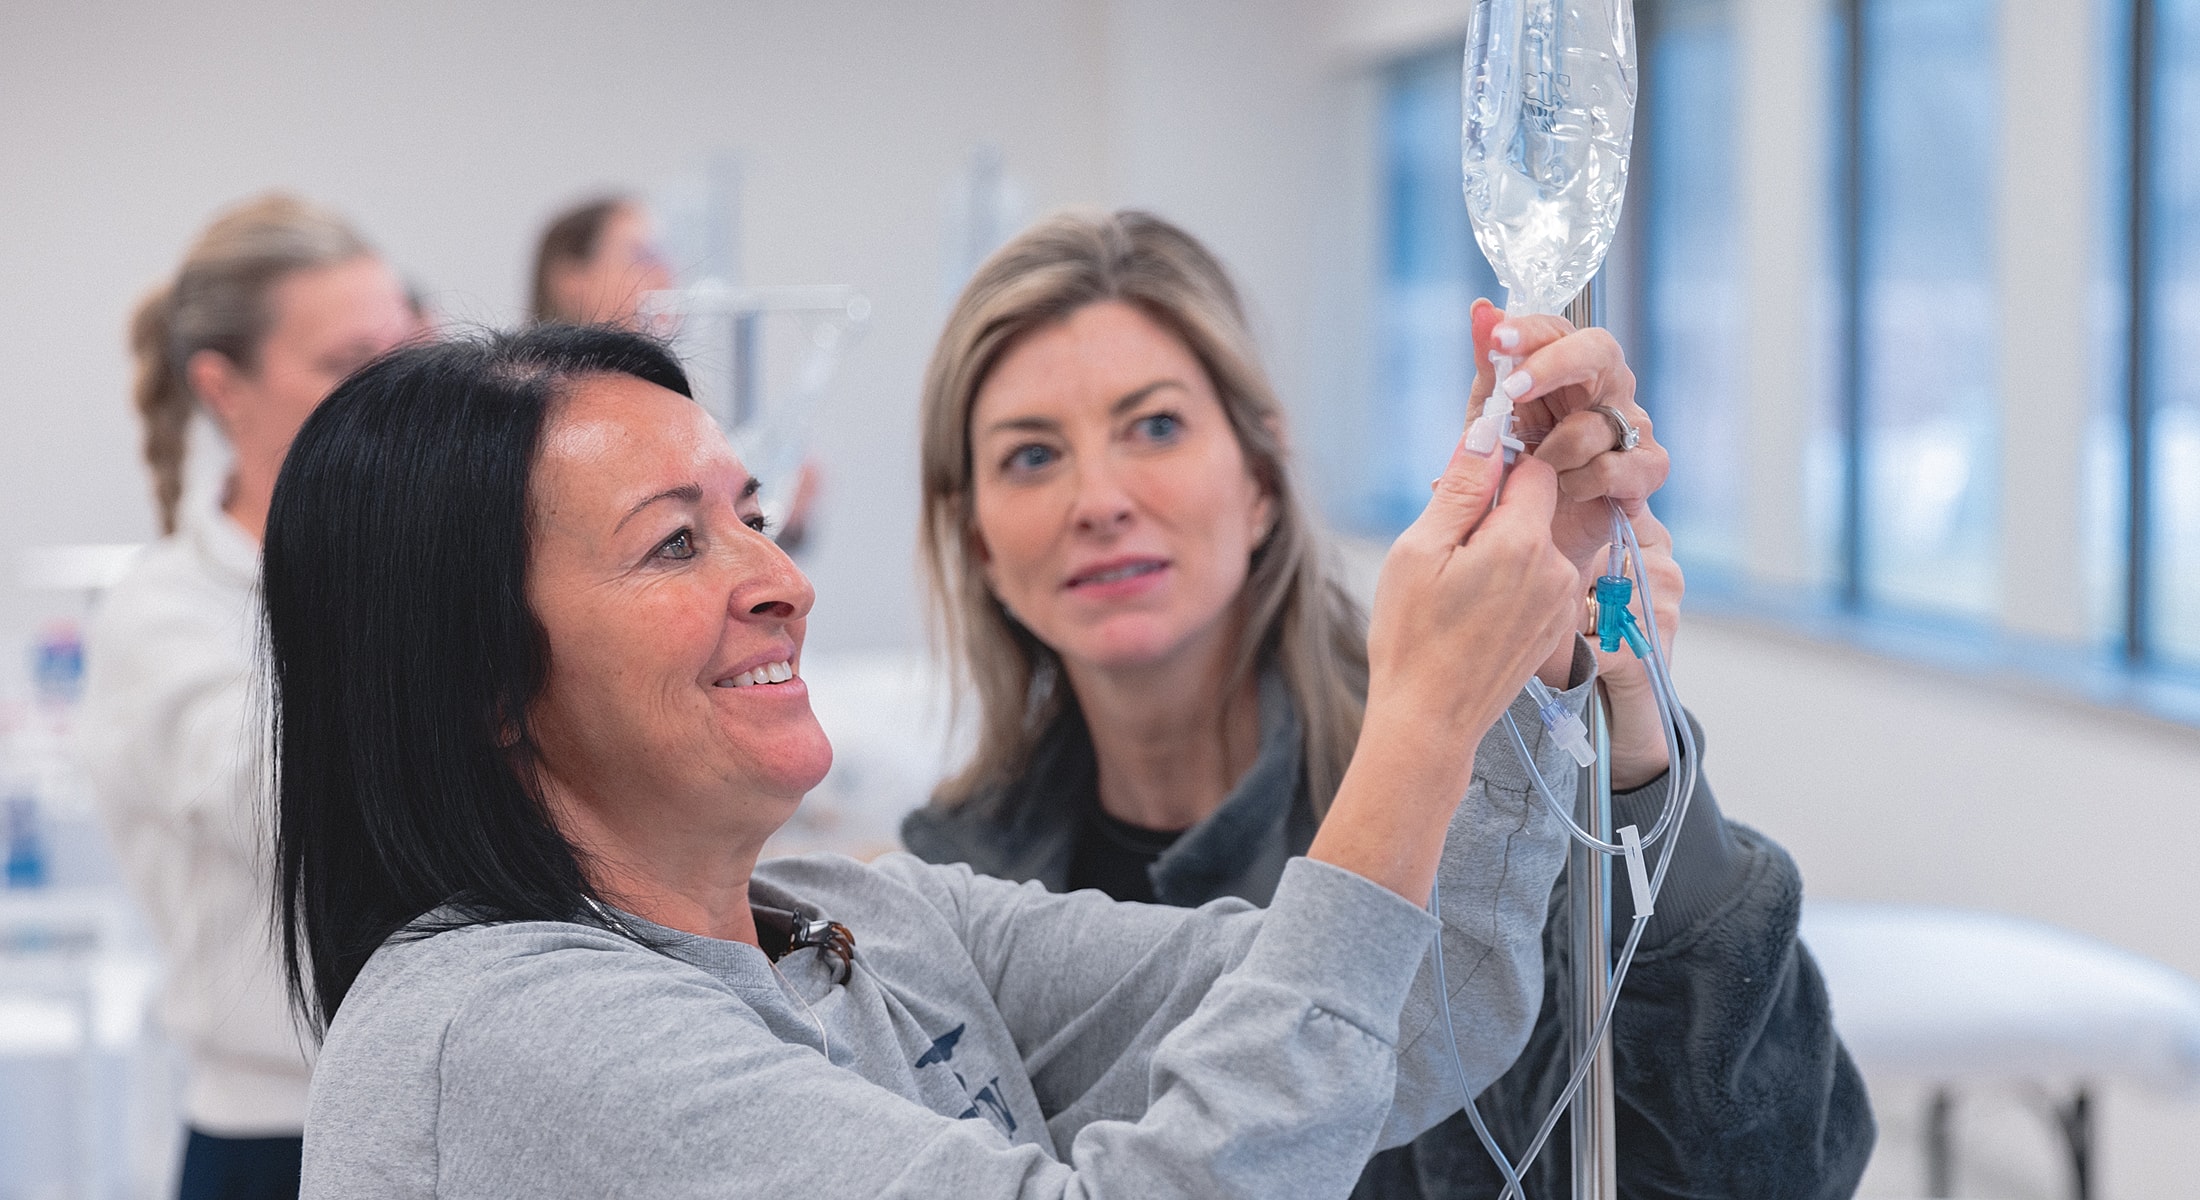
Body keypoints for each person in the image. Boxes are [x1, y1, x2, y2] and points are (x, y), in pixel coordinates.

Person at [268, 324, 1590, 1199]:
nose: (781, 581)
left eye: (753, 519)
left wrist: (1525, 663)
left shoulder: (871, 924)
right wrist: (1417, 719)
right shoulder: (508, 1034)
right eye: (677, 544)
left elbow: (1413, 1013)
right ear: (483, 675)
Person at [898, 210, 1875, 1198]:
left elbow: (1773, 1169)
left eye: (1154, 427)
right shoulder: (954, 884)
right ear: (974, 535)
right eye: (1031, 455)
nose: (1097, 499)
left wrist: (1637, 765)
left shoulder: (1483, 790)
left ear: (1261, 479)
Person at [77, 193, 421, 1200]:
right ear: (224, 388)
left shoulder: (414, 575)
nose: (397, 393)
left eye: (404, 350)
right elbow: (315, 817)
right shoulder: (164, 620)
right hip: (282, 1142)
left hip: (444, 1110)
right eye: (348, 364)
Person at [530, 193, 820, 549]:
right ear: (571, 280)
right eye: (643, 257)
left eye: (666, 256)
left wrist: (774, 510)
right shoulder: (532, 417)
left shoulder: (674, 402)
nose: (667, 274)